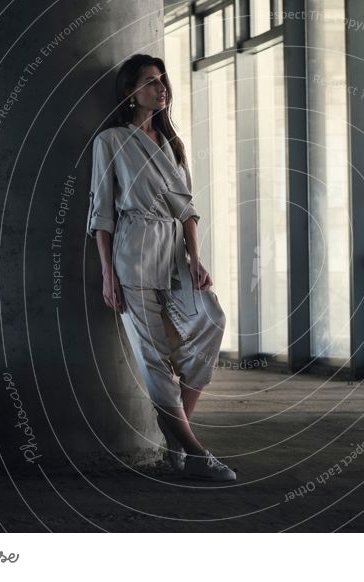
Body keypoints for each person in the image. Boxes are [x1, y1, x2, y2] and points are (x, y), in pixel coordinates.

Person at [86, 54, 236, 481]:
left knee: (211, 319)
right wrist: (107, 274)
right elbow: (101, 215)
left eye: (163, 81)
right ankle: (196, 452)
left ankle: (177, 441)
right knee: (152, 356)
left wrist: (195, 257)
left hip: (173, 251)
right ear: (131, 92)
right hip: (132, 253)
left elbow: (187, 210)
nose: (161, 88)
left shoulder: (171, 144)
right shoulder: (110, 142)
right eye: (151, 82)